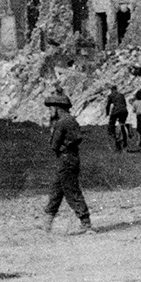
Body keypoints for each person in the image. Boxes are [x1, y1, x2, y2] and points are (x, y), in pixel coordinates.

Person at [41, 93, 92, 235]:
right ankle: (46, 225)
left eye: (51, 108)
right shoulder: (71, 120)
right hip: (71, 158)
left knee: (71, 191)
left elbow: (54, 145)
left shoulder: (61, 122)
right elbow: (77, 138)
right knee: (56, 191)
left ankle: (86, 223)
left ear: (57, 108)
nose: (50, 111)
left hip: (65, 160)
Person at [104, 85, 129, 152]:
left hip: (116, 111)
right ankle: (124, 137)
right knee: (122, 123)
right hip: (124, 111)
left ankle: (114, 137)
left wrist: (107, 113)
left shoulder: (110, 95)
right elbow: (125, 104)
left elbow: (108, 105)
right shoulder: (121, 95)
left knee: (111, 124)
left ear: (111, 90)